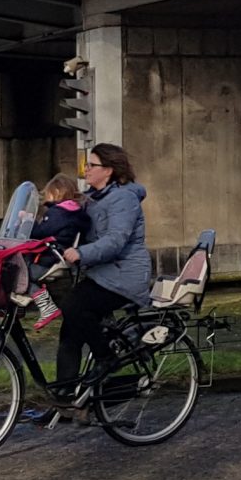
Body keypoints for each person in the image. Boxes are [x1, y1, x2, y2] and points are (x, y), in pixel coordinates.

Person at [39, 143, 150, 421]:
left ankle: (106, 357)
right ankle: (65, 402)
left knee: (75, 307)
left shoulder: (124, 199)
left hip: (124, 276)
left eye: (92, 165)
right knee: (71, 330)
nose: (85, 169)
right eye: (86, 165)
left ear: (110, 171)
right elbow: (67, 221)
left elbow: (116, 240)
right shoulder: (92, 197)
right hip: (103, 273)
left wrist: (81, 253)